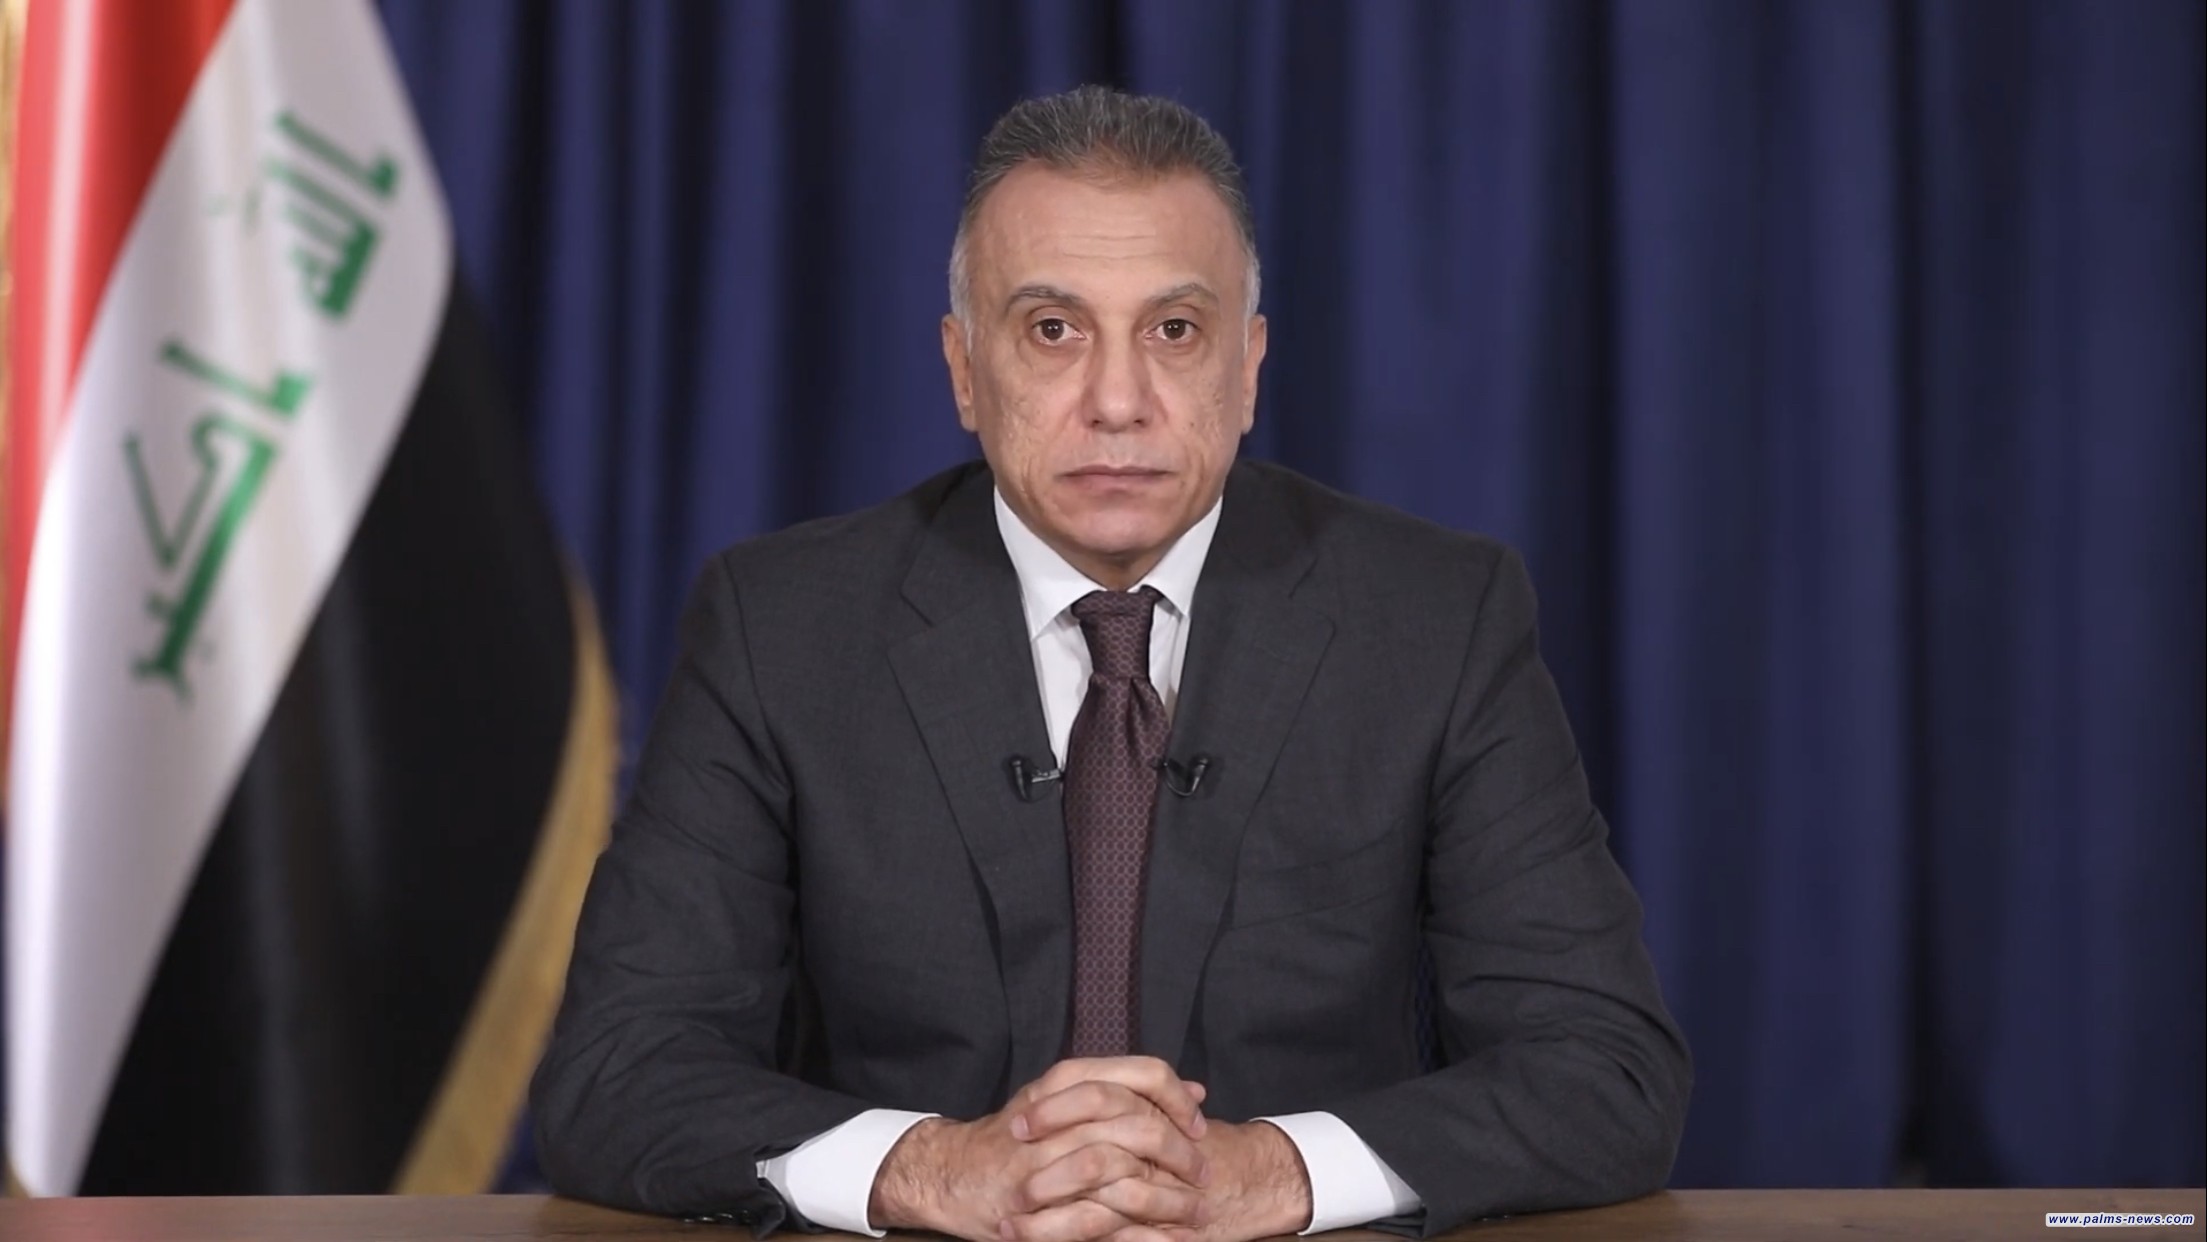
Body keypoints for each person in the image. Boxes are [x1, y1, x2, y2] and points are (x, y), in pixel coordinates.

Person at [531, 86, 1690, 1240]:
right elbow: (616, 1073)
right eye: (1053, 330)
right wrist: (935, 1170)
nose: (1118, 402)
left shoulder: (1432, 620)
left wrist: (1271, 1172)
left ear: (1247, 368)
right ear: (963, 369)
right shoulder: (782, 628)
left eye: (1173, 331)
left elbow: (1605, 1069)